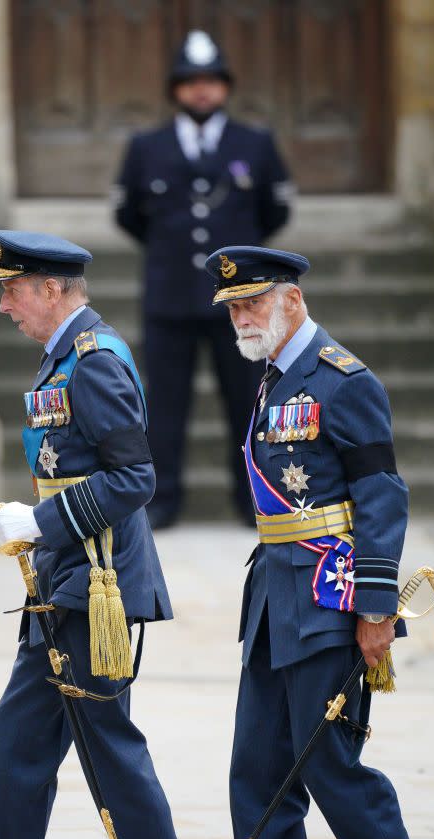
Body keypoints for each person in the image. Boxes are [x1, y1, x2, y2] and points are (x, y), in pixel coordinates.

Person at [0, 231, 216, 839]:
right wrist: (40, 526)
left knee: (110, 751)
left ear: (51, 290)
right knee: (17, 748)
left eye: (13, 290)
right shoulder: (63, 358)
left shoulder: (94, 361)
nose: (4, 307)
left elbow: (134, 478)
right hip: (62, 583)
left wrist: (42, 520)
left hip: (96, 586)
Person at [191, 245, 434, 839]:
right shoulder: (273, 376)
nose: (240, 317)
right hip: (271, 603)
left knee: (332, 772)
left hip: (327, 598)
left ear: (292, 300)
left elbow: (382, 494)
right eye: (233, 308)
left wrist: (375, 608)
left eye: (252, 303)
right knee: (256, 772)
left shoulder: (342, 380)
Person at [113, 30, 293, 529]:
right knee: (165, 405)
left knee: (248, 401)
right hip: (169, 295)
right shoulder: (146, 146)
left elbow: (273, 211)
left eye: (211, 81)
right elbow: (128, 214)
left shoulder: (254, 144)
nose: (201, 91)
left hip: (241, 304)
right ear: (175, 89)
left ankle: (253, 498)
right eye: (191, 82)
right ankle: (163, 499)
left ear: (226, 87)